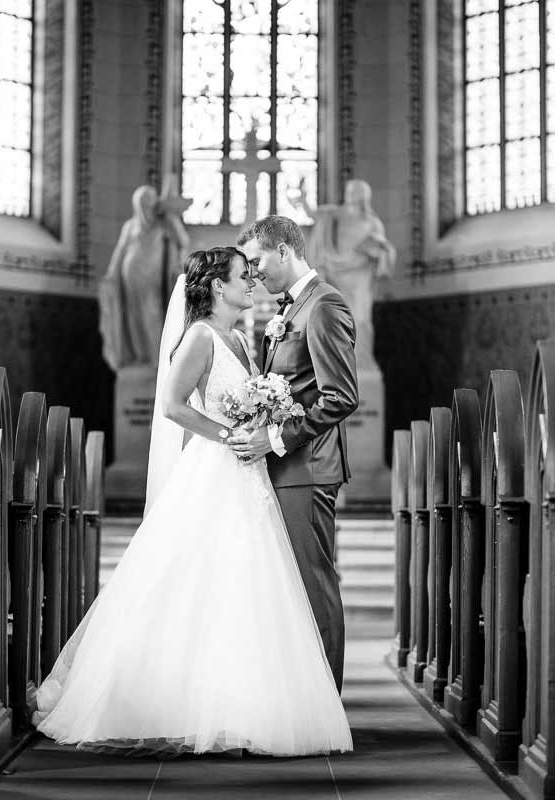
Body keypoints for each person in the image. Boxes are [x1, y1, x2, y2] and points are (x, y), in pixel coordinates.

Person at [34, 246, 353, 757]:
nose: (250, 282)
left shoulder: (242, 338)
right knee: (197, 578)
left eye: (252, 273)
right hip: (217, 469)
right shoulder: (201, 337)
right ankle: (174, 698)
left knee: (247, 583)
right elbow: (172, 406)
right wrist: (230, 433)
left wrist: (263, 422)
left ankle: (238, 700)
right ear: (217, 288)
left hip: (249, 473)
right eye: (241, 277)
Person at [228, 215, 360, 694]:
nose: (255, 274)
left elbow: (340, 397)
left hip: (306, 469)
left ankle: (326, 700)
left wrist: (276, 439)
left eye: (258, 261)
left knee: (314, 583)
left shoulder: (324, 305)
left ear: (285, 250)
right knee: (290, 588)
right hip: (284, 469)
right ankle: (298, 695)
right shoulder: (288, 309)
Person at [291, 178, 395, 371]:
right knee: (334, 316)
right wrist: (303, 198)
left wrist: (379, 252)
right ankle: (338, 362)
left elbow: (383, 249)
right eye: (349, 191)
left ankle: (361, 362)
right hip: (333, 272)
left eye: (355, 192)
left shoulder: (372, 222)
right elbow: (313, 214)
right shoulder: (334, 214)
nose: (351, 195)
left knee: (361, 319)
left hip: (360, 276)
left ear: (364, 196)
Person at [98, 184, 190, 371]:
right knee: (133, 315)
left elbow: (183, 241)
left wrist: (172, 218)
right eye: (143, 203)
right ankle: (140, 356)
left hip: (152, 277)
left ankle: (155, 357)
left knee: (153, 313)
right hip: (130, 275)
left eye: (150, 201)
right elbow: (120, 251)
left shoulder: (163, 224)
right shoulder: (130, 226)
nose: (147, 207)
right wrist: (111, 274)